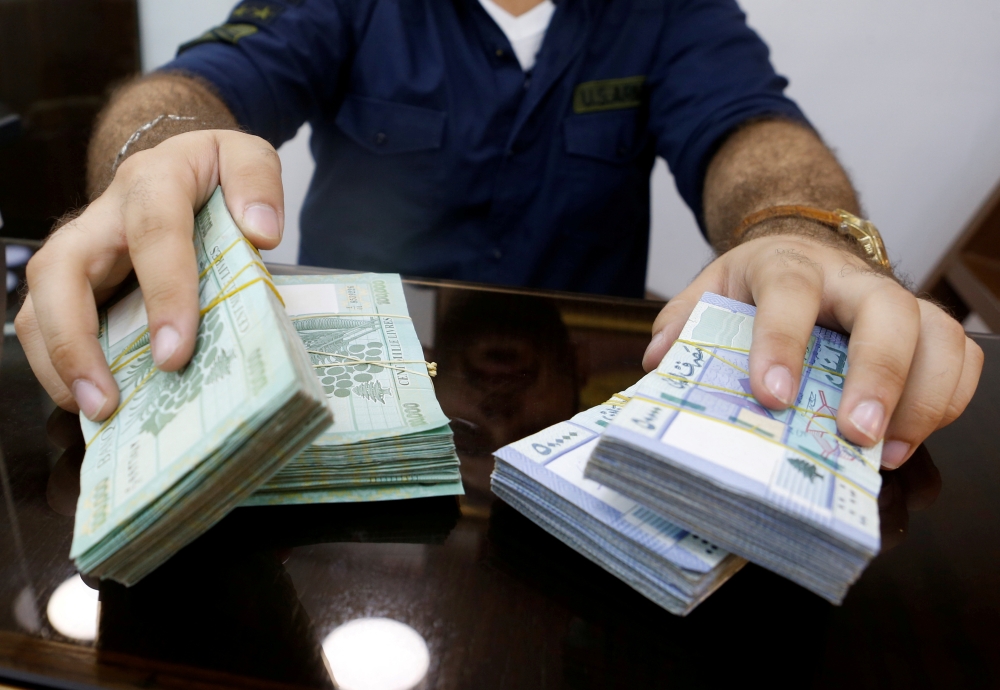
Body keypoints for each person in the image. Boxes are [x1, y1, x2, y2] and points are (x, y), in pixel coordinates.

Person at [14, 0, 982, 471]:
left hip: (583, 440)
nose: (497, 412)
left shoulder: (672, 11)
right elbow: (192, 87)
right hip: (349, 414)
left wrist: (801, 230)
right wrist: (153, 157)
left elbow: (751, 128)